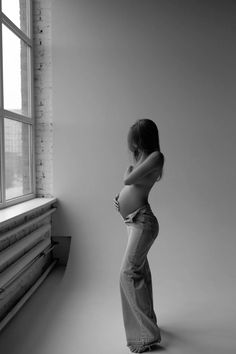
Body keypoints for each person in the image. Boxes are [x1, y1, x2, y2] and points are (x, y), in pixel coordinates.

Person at [113, 119, 164, 353]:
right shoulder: (143, 159)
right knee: (139, 274)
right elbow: (131, 186)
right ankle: (148, 327)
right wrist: (121, 199)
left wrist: (128, 176)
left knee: (127, 273)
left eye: (132, 137)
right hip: (133, 221)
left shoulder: (156, 156)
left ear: (141, 138)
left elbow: (128, 179)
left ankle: (146, 336)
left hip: (143, 222)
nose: (129, 143)